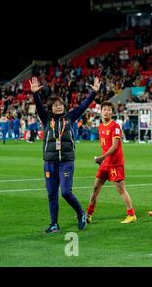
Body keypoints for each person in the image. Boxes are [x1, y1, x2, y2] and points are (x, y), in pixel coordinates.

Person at [30, 76, 100, 233]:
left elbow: (83, 106)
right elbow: (39, 107)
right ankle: (54, 224)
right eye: (55, 105)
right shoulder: (46, 118)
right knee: (52, 194)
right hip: (49, 162)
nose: (59, 107)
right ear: (50, 108)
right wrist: (35, 94)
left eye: (60, 104)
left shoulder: (70, 117)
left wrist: (93, 92)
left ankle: (81, 213)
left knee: (66, 192)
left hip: (66, 161)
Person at [86, 101, 137, 224]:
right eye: (104, 110)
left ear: (112, 113)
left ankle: (131, 215)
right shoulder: (101, 126)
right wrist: (102, 159)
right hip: (104, 163)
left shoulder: (115, 126)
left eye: (109, 110)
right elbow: (105, 145)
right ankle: (88, 215)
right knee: (96, 188)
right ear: (101, 112)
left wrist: (102, 157)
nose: (106, 112)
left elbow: (115, 146)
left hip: (115, 163)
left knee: (121, 190)